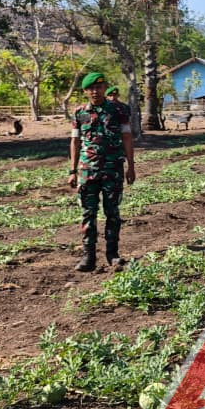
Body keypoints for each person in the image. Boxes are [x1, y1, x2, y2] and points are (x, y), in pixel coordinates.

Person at [69, 72, 135, 272]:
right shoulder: (79, 113)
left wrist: (131, 166)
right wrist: (72, 171)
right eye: (90, 89)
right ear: (85, 91)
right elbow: (75, 141)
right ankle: (88, 256)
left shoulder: (118, 110)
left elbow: (127, 137)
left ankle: (112, 254)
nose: (95, 92)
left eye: (98, 87)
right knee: (88, 213)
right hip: (87, 171)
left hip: (112, 170)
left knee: (112, 212)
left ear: (105, 88)